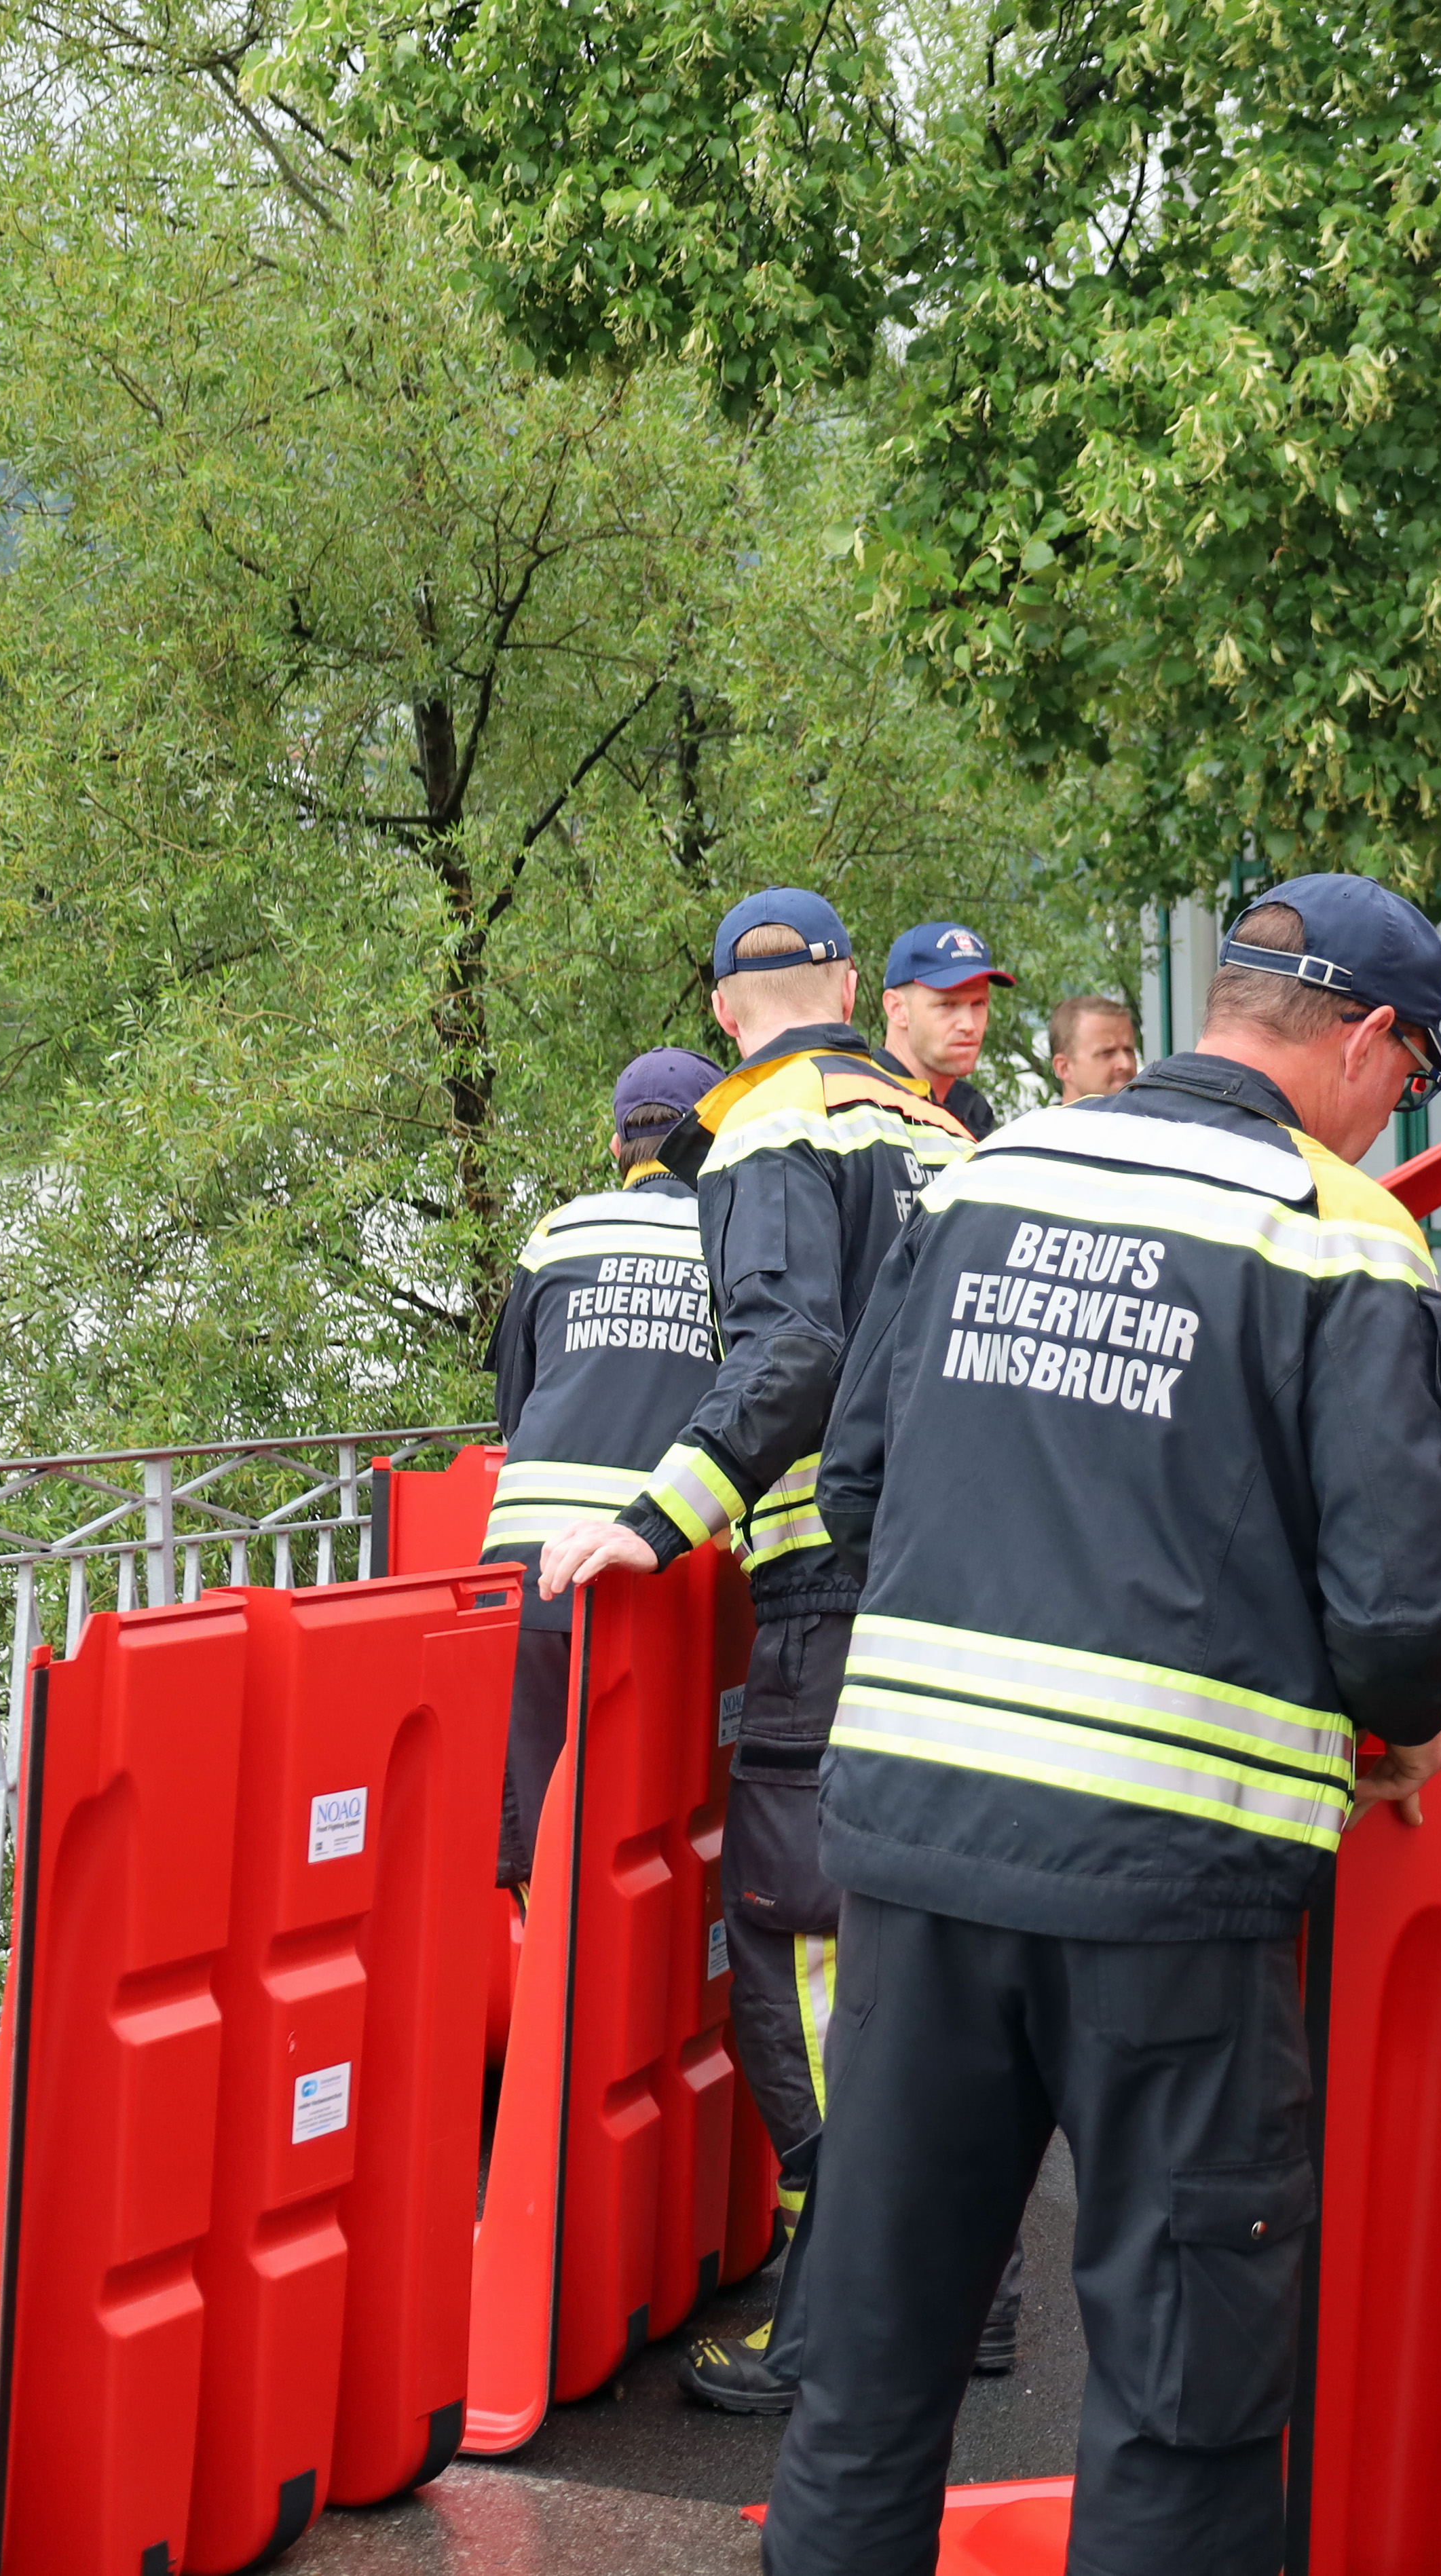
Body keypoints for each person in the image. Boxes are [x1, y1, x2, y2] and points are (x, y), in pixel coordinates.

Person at [760, 877, 1441, 2576]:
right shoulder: (1338, 1232)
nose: (1398, 1114)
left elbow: (853, 1487)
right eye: (1412, 1075)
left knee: (871, 2371)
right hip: (1175, 1890)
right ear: (1368, 1037)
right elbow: (1398, 1617)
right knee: (1181, 2393)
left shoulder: (991, 1169)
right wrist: (1395, 1722)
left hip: (922, 1856)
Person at [531, 888, 977, 2415]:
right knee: (927, 1939)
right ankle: (953, 2293)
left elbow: (789, 1352)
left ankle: (843, 2314)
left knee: (792, 1937)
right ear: (853, 983)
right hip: (961, 1577)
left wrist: (656, 1517)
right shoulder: (935, 1129)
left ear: (724, 1007)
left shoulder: (774, 1124)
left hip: (832, 1577)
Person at [478, 1049, 721, 1886]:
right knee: (652, 1849)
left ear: (617, 1145)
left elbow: (515, 1406)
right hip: (662, 1570)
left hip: (527, 1573)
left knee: (546, 1849)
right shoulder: (733, 1237)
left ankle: (544, 2005)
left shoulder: (558, 1230)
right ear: (712, 1137)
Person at [880, 921, 1017, 1139]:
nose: (969, 1025)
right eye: (947, 1005)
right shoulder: (863, 1105)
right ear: (897, 1009)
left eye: (979, 1004)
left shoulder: (975, 1111)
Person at [1046, 992, 1140, 1101]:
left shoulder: (1155, 1117)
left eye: (1129, 1051)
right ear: (1064, 1068)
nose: (1126, 1064)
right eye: (1107, 1053)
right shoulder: (1037, 1119)